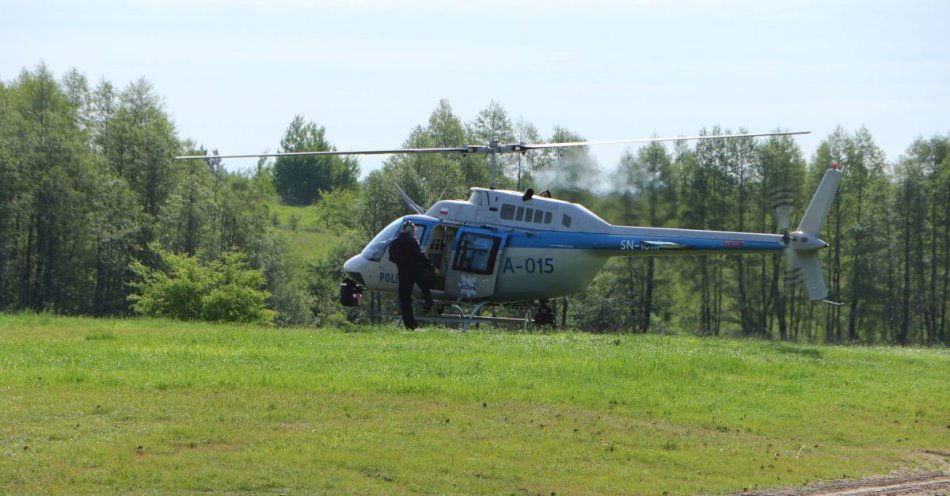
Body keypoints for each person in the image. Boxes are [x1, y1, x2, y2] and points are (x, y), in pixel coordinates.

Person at [388, 221, 438, 329]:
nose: (414, 233)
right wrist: (432, 268)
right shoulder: (412, 241)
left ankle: (409, 324)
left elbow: (391, 258)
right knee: (425, 286)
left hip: (403, 274)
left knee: (405, 300)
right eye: (414, 231)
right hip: (416, 271)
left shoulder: (394, 242)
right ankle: (428, 302)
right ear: (410, 231)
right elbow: (421, 256)